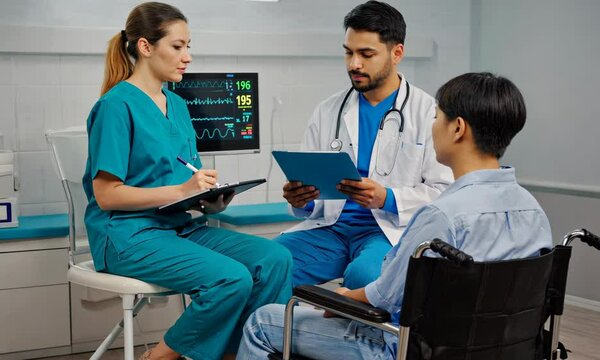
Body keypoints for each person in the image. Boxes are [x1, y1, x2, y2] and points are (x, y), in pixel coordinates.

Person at [237, 72, 554, 359]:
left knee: (263, 321)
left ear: (457, 129)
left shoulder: (442, 216)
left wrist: (344, 298)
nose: (431, 127)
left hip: (403, 347)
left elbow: (383, 298)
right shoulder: (534, 212)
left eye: (436, 118)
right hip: (498, 351)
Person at [82, 2, 292, 360]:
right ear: (146, 47)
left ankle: (248, 352)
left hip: (178, 225)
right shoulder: (116, 106)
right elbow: (106, 195)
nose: (187, 57)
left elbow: (183, 177)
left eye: (188, 46)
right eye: (178, 47)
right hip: (128, 235)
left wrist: (205, 197)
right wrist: (182, 190)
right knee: (230, 279)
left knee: (275, 258)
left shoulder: (177, 105)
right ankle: (160, 356)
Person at [275, 0, 453, 290]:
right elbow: (313, 191)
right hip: (330, 231)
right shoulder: (328, 110)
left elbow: (444, 193)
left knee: (364, 277)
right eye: (348, 53)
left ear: (397, 53)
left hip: (387, 232)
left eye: (366, 54)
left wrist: (388, 198)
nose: (353, 64)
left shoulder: (429, 112)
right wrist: (302, 198)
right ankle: (273, 333)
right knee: (269, 264)